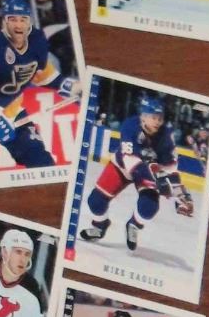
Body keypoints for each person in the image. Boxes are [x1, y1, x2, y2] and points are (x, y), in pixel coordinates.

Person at [0, 0, 80, 174]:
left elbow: (44, 75)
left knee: (43, 165)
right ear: (4, 21)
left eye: (23, 19)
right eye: (13, 19)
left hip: (13, 114)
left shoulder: (35, 45)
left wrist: (73, 87)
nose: (18, 25)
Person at [78, 92, 194, 252]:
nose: (157, 122)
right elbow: (130, 161)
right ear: (143, 117)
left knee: (149, 207)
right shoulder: (130, 126)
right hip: (124, 167)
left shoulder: (166, 135)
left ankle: (133, 225)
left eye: (160, 118)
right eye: (154, 117)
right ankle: (100, 226)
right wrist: (156, 181)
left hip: (149, 171)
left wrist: (177, 193)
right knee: (95, 201)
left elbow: (170, 165)